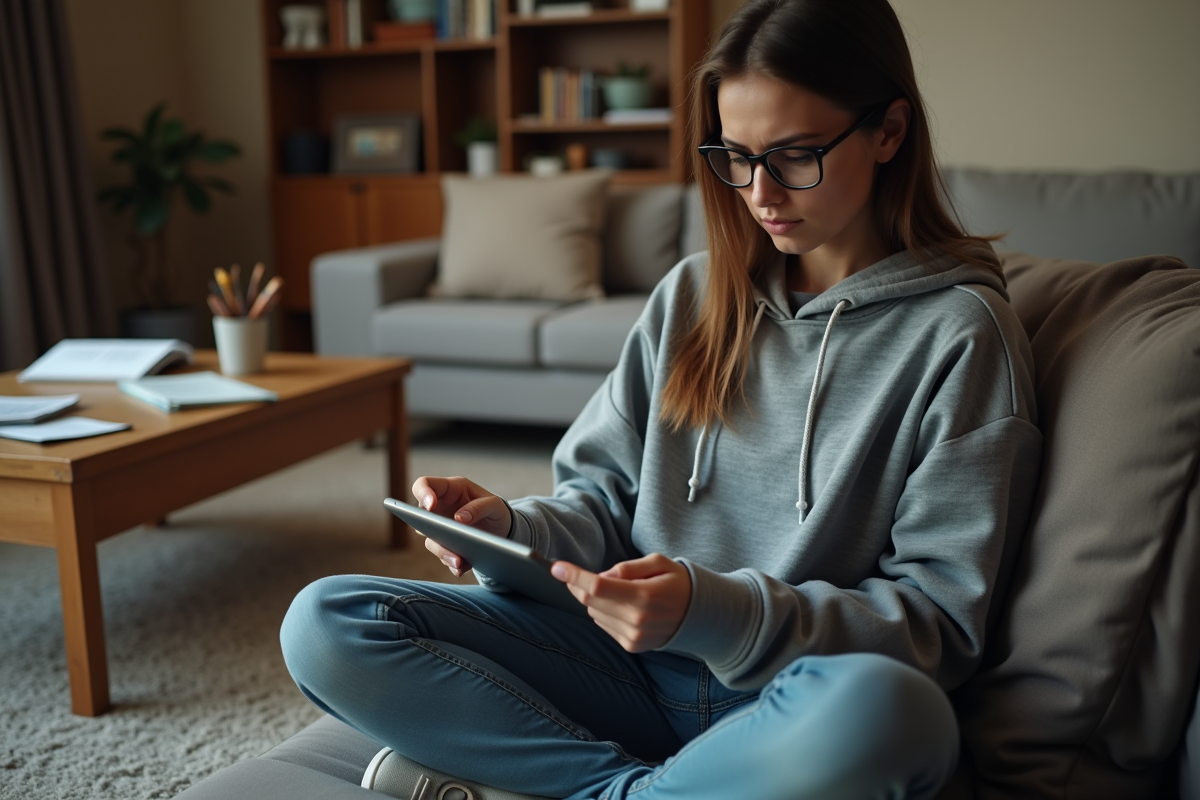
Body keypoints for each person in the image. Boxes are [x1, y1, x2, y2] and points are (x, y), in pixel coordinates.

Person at [280, 1, 1043, 797]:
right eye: (735, 157)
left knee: (897, 714)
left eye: (794, 156)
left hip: (783, 698)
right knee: (328, 620)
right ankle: (620, 791)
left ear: (889, 131)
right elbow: (603, 498)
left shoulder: (962, 335)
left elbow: (940, 626)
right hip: (620, 668)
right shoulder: (695, 296)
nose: (759, 193)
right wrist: (509, 527)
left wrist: (715, 612)